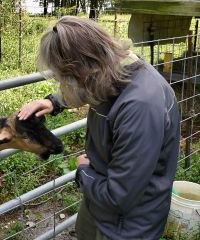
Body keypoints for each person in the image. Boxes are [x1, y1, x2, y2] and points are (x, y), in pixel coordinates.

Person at [18, 16, 180, 240]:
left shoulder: (140, 106)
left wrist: (84, 172)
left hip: (127, 225)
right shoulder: (115, 70)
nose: (62, 84)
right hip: (100, 197)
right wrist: (53, 102)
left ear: (82, 70)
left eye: (63, 78)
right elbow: (89, 88)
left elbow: (119, 196)